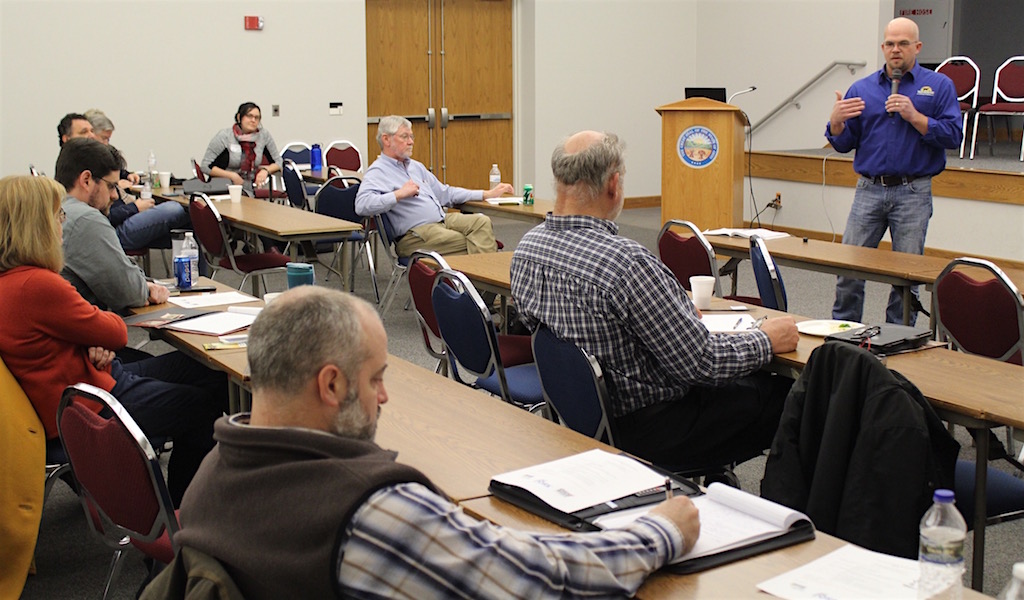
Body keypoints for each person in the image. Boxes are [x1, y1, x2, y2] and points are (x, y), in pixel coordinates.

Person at [170, 286, 699, 599]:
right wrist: (660, 532)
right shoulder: (367, 512)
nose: (384, 397)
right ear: (331, 385)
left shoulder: (213, 472)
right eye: (375, 378)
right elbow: (538, 582)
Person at [510, 131, 799, 472]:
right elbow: (702, 363)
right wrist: (767, 340)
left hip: (583, 418)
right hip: (652, 430)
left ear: (559, 179)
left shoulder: (527, 249)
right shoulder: (627, 263)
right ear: (613, 185)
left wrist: (673, 315)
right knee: (795, 396)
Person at [0, 175, 227, 505]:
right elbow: (116, 331)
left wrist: (90, 337)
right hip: (92, 403)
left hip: (86, 381)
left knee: (204, 369)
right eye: (58, 215)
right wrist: (96, 333)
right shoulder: (38, 284)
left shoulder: (12, 282)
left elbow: (88, 331)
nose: (62, 223)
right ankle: (180, 513)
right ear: (36, 226)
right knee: (203, 407)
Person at [826, 17, 961, 325]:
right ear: (883, 47)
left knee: (906, 275)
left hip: (913, 191)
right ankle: (843, 333)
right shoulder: (863, 88)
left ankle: (898, 337)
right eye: (890, 44)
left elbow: (954, 136)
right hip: (869, 190)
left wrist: (915, 117)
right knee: (848, 269)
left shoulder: (939, 86)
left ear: (918, 47)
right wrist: (835, 123)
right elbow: (844, 144)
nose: (895, 49)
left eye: (903, 43)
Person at [355, 115, 514, 257]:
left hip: (441, 221)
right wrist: (399, 194)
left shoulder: (415, 167)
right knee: (475, 241)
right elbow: (361, 205)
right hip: (415, 234)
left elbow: (445, 193)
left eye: (411, 136)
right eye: (405, 137)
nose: (411, 142)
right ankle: (481, 279)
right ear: (386, 140)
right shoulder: (378, 171)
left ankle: (476, 279)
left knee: (482, 222)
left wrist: (486, 194)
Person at [55, 138, 169, 312]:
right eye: (111, 186)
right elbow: (129, 292)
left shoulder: (52, 208)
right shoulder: (86, 220)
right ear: (86, 180)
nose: (115, 195)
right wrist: (145, 287)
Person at [84, 109, 191, 252]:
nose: (107, 144)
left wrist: (127, 175)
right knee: (174, 209)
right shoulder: (87, 170)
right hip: (115, 229)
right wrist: (134, 208)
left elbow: (118, 171)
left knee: (189, 225)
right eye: (104, 138)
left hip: (125, 216)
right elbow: (102, 216)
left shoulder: (100, 162)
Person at [200, 102, 281, 194]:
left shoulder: (263, 136)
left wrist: (265, 171)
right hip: (222, 187)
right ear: (239, 117)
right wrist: (232, 176)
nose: (253, 120)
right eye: (249, 116)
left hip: (248, 188)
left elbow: (278, 162)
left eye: (257, 117)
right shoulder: (225, 136)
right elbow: (205, 166)